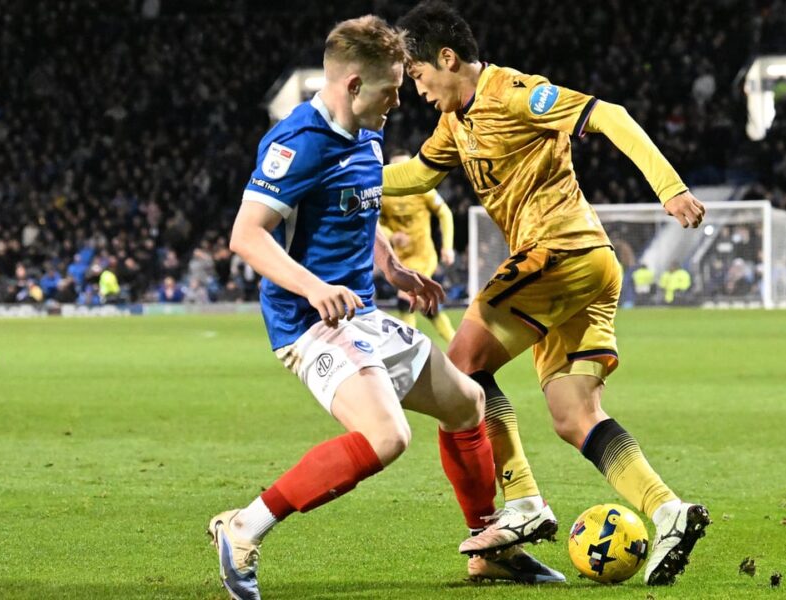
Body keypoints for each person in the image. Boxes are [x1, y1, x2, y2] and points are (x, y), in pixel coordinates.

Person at [207, 17, 549, 600]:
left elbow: (354, 210)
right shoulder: (297, 143)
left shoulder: (366, 132)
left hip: (359, 314)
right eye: (391, 87)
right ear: (351, 86)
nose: (401, 97)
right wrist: (314, 287)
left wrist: (391, 267)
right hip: (309, 325)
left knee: (466, 403)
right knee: (386, 437)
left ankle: (488, 545)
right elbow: (247, 235)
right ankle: (244, 527)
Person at [388, 1, 710, 585]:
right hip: (585, 269)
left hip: (559, 253)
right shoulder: (454, 123)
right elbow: (414, 175)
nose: (416, 89)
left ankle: (524, 500)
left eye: (416, 74)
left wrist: (670, 188)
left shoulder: (512, 93)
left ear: (447, 57)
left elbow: (608, 114)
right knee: (574, 414)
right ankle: (669, 512)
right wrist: (339, 176)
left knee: (460, 372)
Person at [378, 149, 457, 341]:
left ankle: (408, 349)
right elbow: (374, 222)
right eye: (398, 168)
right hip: (399, 259)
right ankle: (457, 347)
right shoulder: (383, 193)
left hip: (424, 256)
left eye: (407, 166)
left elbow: (445, 213)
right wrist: (392, 235)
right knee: (426, 306)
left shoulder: (424, 189)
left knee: (406, 300)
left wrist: (447, 246)